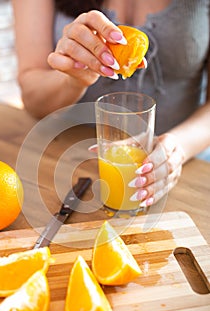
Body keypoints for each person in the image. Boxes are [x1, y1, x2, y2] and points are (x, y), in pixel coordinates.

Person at [12, 0, 210, 208]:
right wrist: (74, 79)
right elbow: (33, 100)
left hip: (185, 170)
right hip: (65, 164)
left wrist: (177, 148)